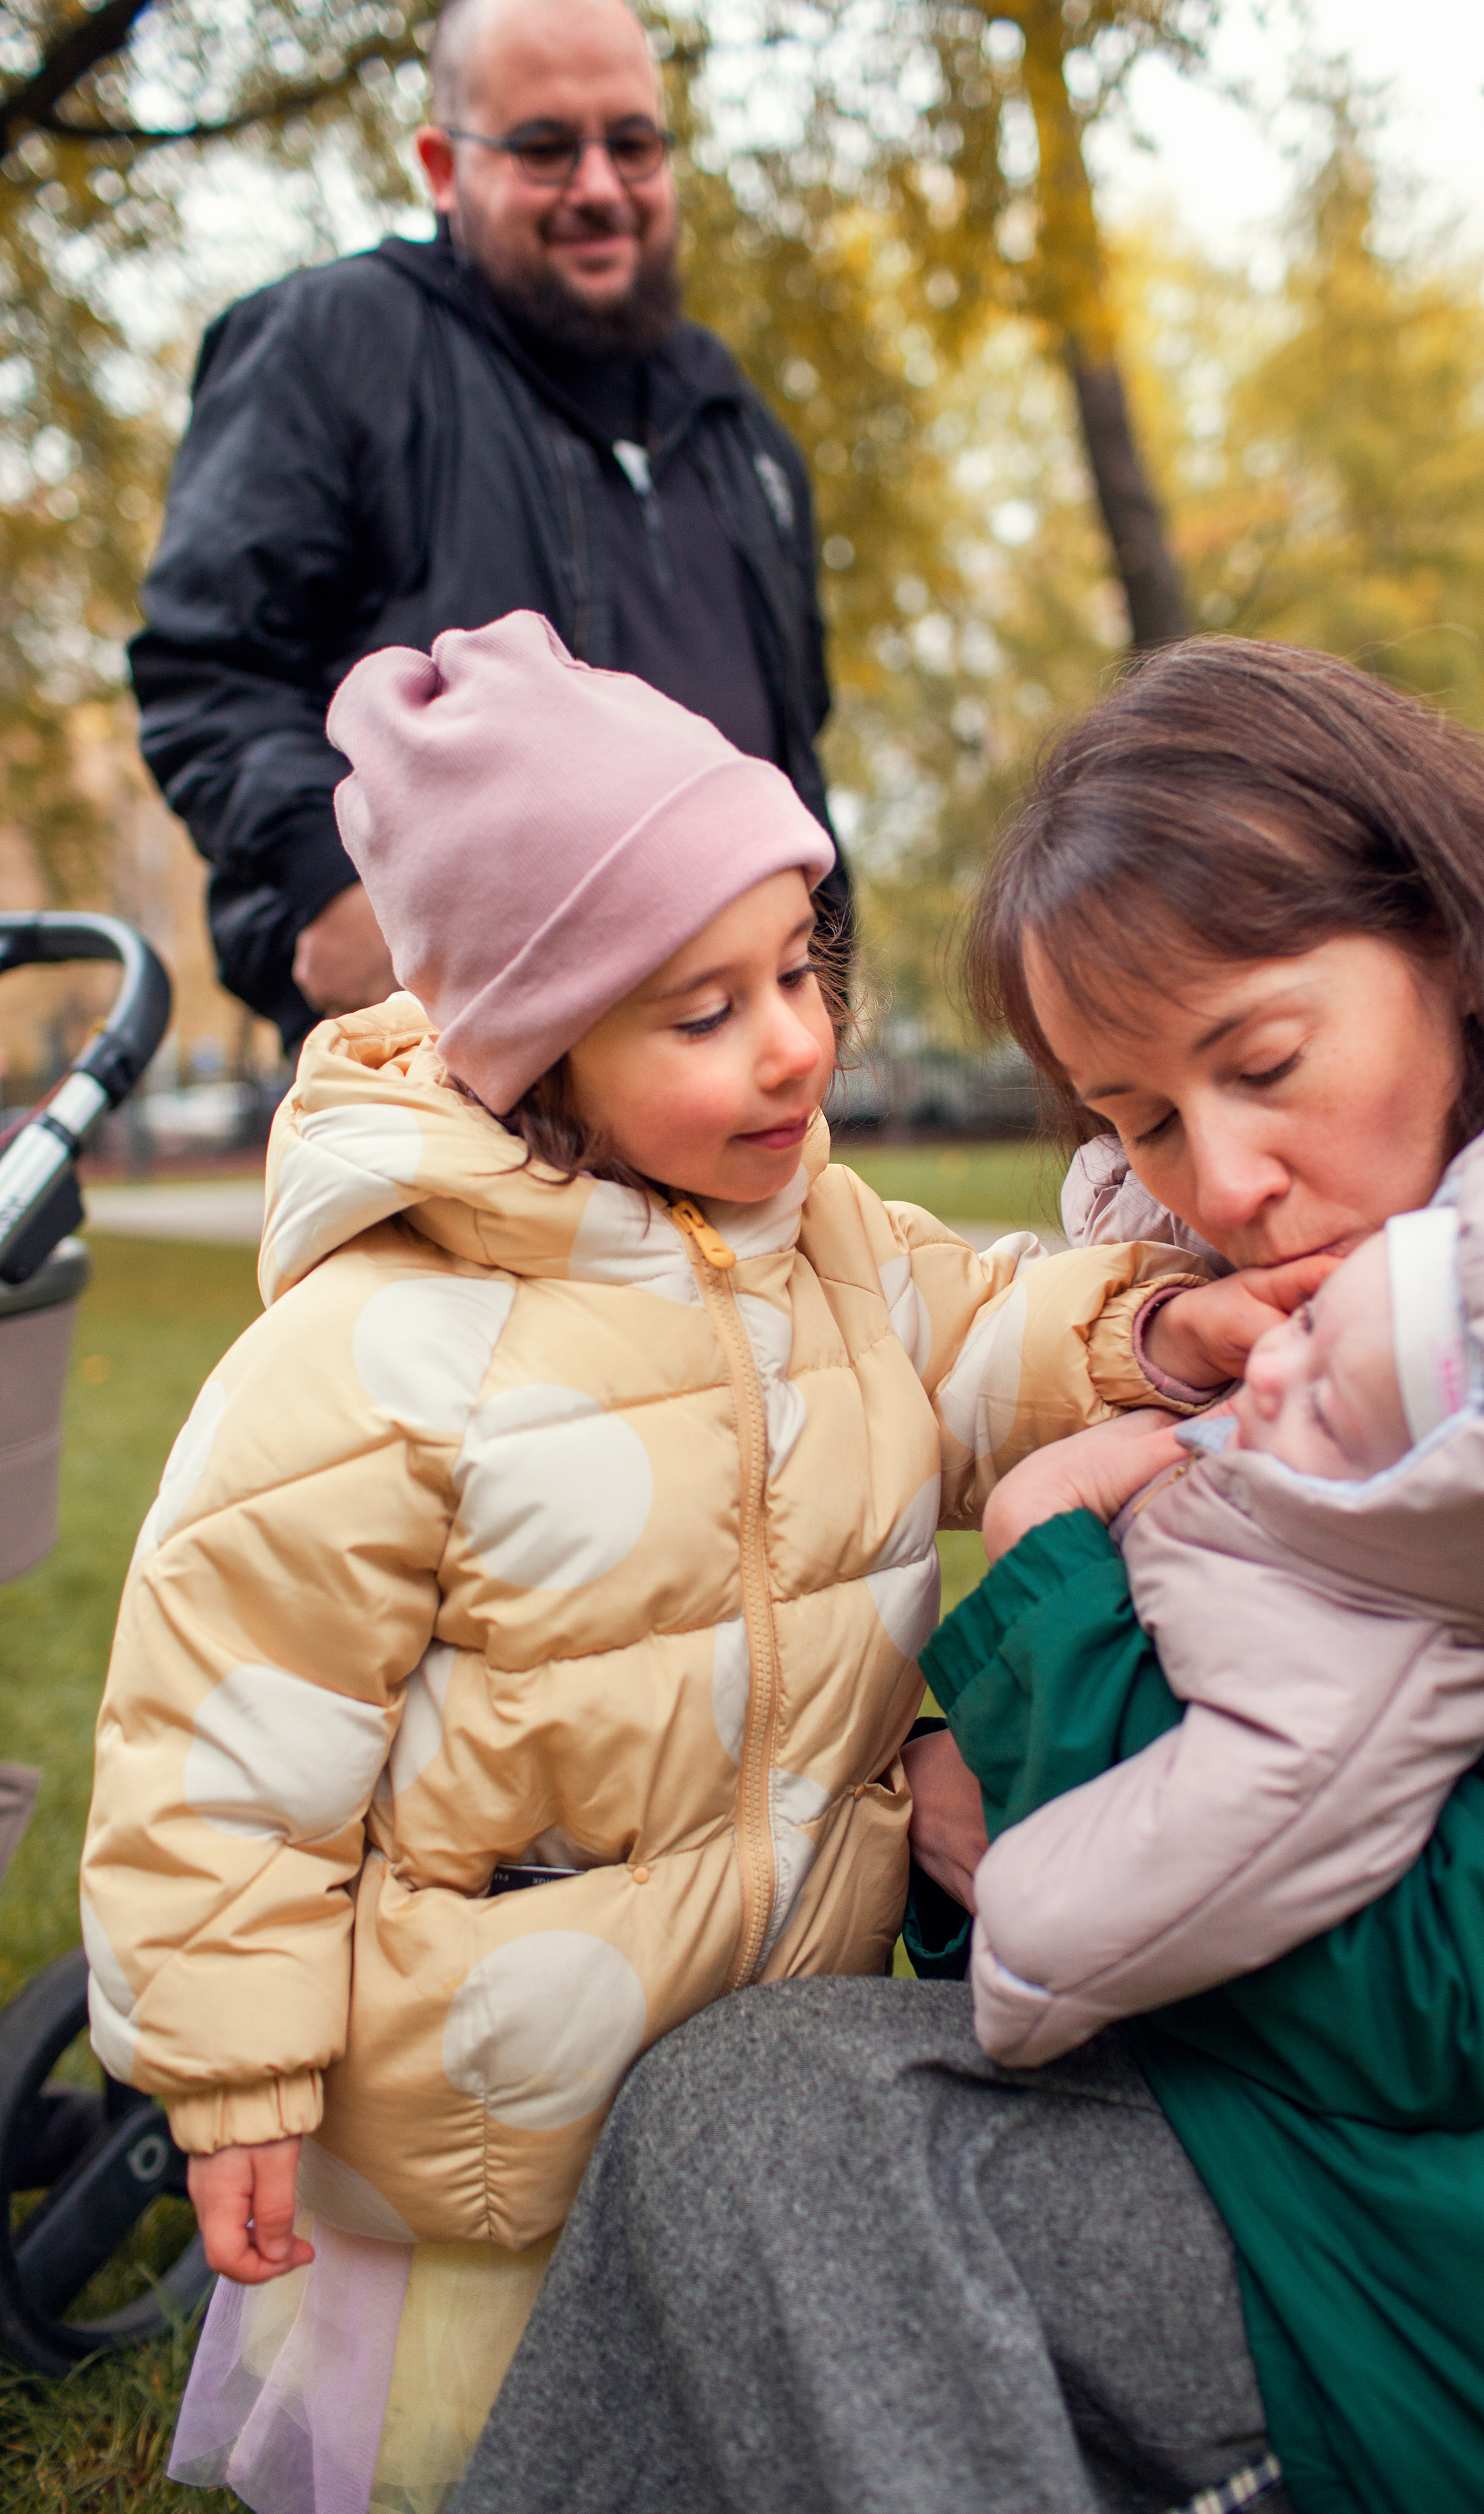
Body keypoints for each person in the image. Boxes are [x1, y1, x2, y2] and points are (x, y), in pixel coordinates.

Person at [450, 637, 1484, 2514]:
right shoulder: (1361, 1319)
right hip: (1385, 2152)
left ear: (1452, 939)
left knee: (771, 2130)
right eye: (1145, 1123)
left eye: (1262, 1065)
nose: (1231, 1179)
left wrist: (1033, 1628)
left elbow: (1449, 1991)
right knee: (738, 2108)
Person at [82, 611, 1217, 2514]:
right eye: (704, 1012)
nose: (796, 1042)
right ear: (537, 1053)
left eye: (799, 966)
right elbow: (228, 1746)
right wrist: (236, 2069)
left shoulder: (825, 1241)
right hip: (490, 2111)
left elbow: (969, 1338)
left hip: (769, 2014)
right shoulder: (383, 1355)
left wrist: (1155, 1337)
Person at [129, 0, 846, 1053]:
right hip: (468, 1086)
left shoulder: (743, 430)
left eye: (633, 144)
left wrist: (823, 980)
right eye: (545, 148)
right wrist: (334, 885)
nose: (599, 187)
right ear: (441, 165)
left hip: (741, 1085)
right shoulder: (331, 347)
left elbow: (797, 754)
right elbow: (209, 670)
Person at [958, 1110, 1484, 2066]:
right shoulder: (1354, 1498)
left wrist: (1047, 1559)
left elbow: (1067, 1928)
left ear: (1439, 1505)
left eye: (1327, 1405)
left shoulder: (1352, 1688)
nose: (1270, 1372)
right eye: (1309, 1322)